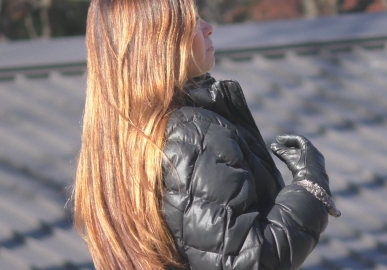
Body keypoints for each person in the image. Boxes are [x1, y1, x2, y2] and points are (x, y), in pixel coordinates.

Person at [73, 0, 340, 269]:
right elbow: (247, 261)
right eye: (192, 23)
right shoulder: (193, 136)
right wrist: (310, 188)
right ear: (158, 42)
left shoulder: (119, 140)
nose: (209, 28)